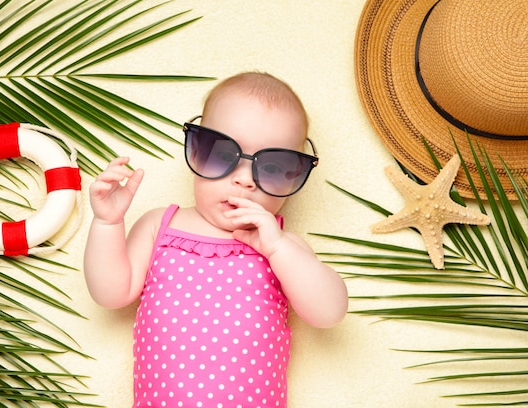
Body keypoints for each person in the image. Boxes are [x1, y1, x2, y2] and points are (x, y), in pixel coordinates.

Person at [84, 72, 348, 407]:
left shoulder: (283, 246)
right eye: (223, 156)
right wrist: (108, 223)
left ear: (294, 174)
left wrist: (278, 248)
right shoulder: (160, 226)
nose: (244, 181)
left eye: (272, 167)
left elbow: (329, 312)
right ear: (197, 149)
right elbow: (110, 293)